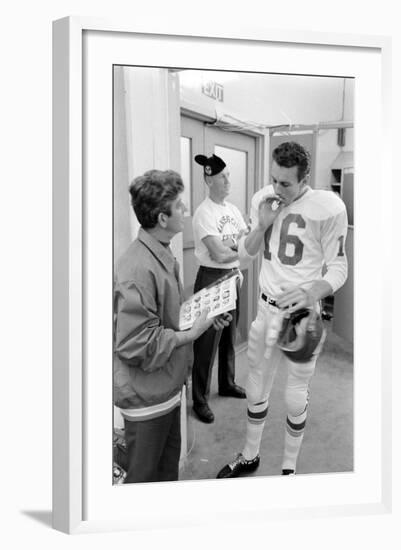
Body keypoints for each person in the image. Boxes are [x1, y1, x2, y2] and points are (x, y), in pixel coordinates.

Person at [216, 141, 348, 478]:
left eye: (285, 183)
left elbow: (339, 268)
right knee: (256, 386)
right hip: (265, 309)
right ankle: (250, 455)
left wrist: (310, 293)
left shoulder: (328, 206)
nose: (277, 188)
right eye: (273, 179)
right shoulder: (264, 198)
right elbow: (244, 258)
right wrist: (261, 224)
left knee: (294, 395)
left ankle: (288, 467)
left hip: (301, 316)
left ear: (304, 179)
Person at [113, 169, 230, 483]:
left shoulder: (161, 254)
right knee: (144, 481)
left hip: (166, 388)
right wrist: (191, 333)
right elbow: (135, 343)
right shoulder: (137, 268)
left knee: (165, 477)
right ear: (162, 219)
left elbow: (165, 316)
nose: (185, 210)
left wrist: (205, 316)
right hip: (146, 398)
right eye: (179, 206)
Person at [191, 153, 248, 424]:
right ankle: (199, 400)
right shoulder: (204, 213)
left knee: (229, 337)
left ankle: (227, 383)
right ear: (209, 179)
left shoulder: (233, 210)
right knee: (206, 343)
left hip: (232, 278)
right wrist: (238, 248)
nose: (228, 181)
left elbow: (245, 242)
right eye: (222, 176)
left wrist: (235, 252)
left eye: (228, 176)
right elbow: (218, 254)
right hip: (212, 279)